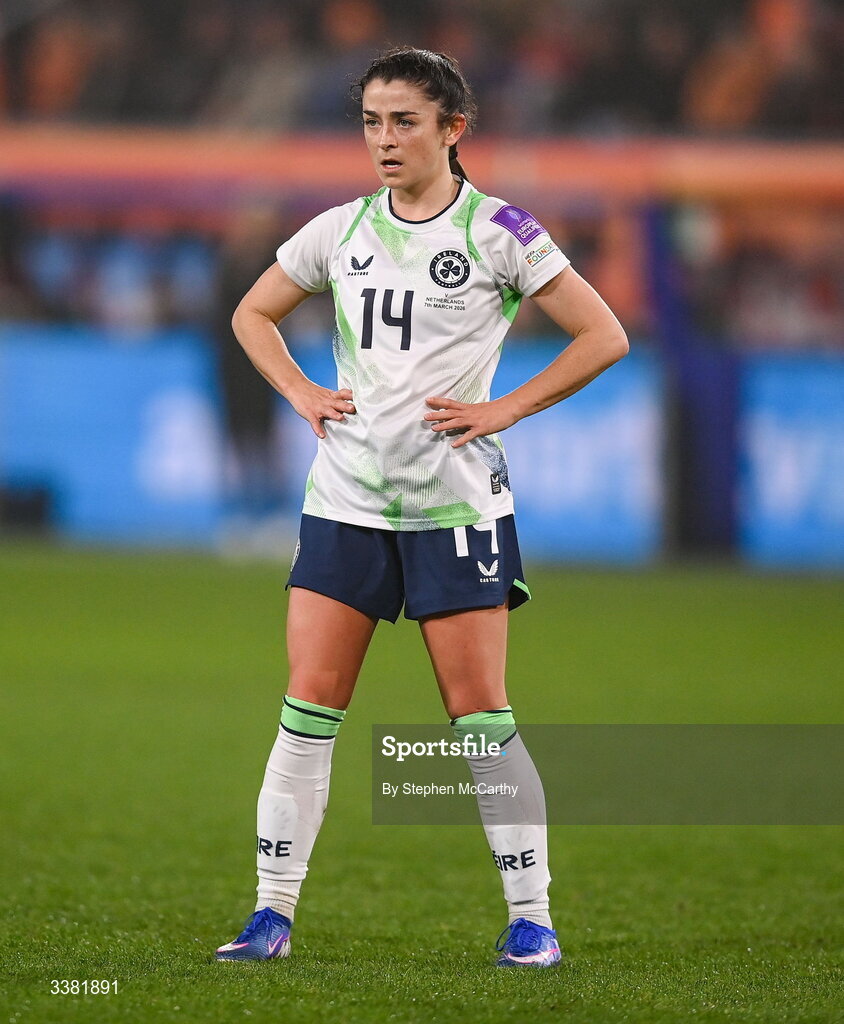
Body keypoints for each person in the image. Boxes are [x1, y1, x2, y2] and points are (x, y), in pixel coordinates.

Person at [215, 46, 628, 968]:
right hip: (347, 501)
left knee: (479, 715)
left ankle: (533, 918)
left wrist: (504, 409)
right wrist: (300, 391)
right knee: (307, 706)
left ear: (453, 129)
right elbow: (253, 313)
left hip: (456, 510)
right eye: (371, 121)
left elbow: (604, 334)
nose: (385, 139)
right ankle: (270, 913)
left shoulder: (501, 232)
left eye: (405, 121)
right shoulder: (340, 229)